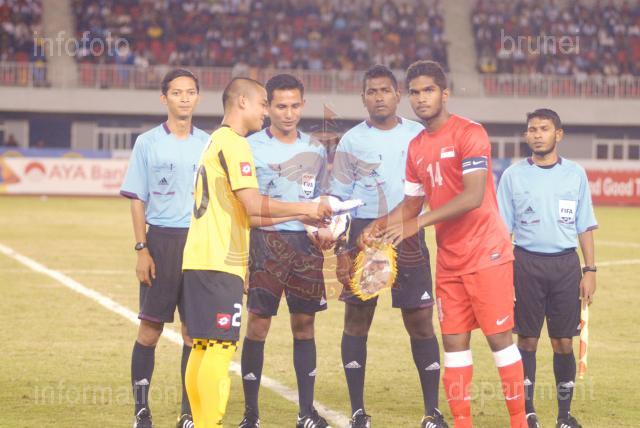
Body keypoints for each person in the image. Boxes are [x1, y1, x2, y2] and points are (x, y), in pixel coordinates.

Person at [368, 60, 527, 428]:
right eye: (415, 92)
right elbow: (411, 204)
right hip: (450, 261)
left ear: (445, 94)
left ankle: (519, 422)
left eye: (429, 90)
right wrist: (378, 224)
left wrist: (417, 224)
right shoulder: (416, 147)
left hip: (487, 253)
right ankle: (462, 423)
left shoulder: (470, 133)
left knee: (499, 340)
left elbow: (472, 196)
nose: (421, 98)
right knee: (454, 345)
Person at [181, 77, 332, 428]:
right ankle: (211, 422)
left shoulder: (216, 140)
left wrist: (303, 215)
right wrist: (305, 209)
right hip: (221, 259)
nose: (266, 111)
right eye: (265, 103)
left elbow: (246, 211)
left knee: (203, 345)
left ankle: (199, 420)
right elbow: (252, 206)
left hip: (203, 257)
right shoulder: (236, 144)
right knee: (219, 348)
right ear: (243, 102)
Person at [330, 64, 447, 428]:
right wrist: (341, 252)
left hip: (407, 232)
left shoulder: (418, 134)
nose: (378, 97)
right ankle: (357, 411)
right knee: (357, 320)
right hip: (363, 234)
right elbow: (339, 200)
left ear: (398, 95)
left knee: (420, 321)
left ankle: (432, 411)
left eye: (385, 90)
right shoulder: (351, 141)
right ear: (363, 98)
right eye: (372, 91)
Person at [238, 73, 332, 428]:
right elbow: (247, 207)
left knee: (305, 326)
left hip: (305, 248)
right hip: (266, 244)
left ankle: (306, 413)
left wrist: (325, 230)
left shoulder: (316, 149)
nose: (288, 113)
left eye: (294, 106)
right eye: (280, 106)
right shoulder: (250, 147)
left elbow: (319, 201)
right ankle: (251, 414)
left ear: (303, 105)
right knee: (258, 325)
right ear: (268, 107)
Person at [119, 68, 209, 428]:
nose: (184, 98)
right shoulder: (148, 142)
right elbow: (137, 199)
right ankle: (141, 410)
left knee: (193, 333)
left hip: (199, 243)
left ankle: (188, 413)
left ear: (198, 97)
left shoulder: (209, 143)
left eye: (190, 92)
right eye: (176, 92)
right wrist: (142, 248)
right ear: (164, 98)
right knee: (150, 330)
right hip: (161, 242)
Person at [497, 109, 597, 428]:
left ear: (558, 134)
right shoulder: (513, 176)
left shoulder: (575, 174)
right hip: (525, 264)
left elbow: (584, 225)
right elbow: (502, 230)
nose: (537, 134)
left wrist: (590, 270)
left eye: (544, 128)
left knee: (563, 342)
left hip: (566, 266)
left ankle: (564, 416)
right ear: (526, 135)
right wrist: (502, 275)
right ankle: (527, 413)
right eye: (532, 129)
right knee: (526, 340)